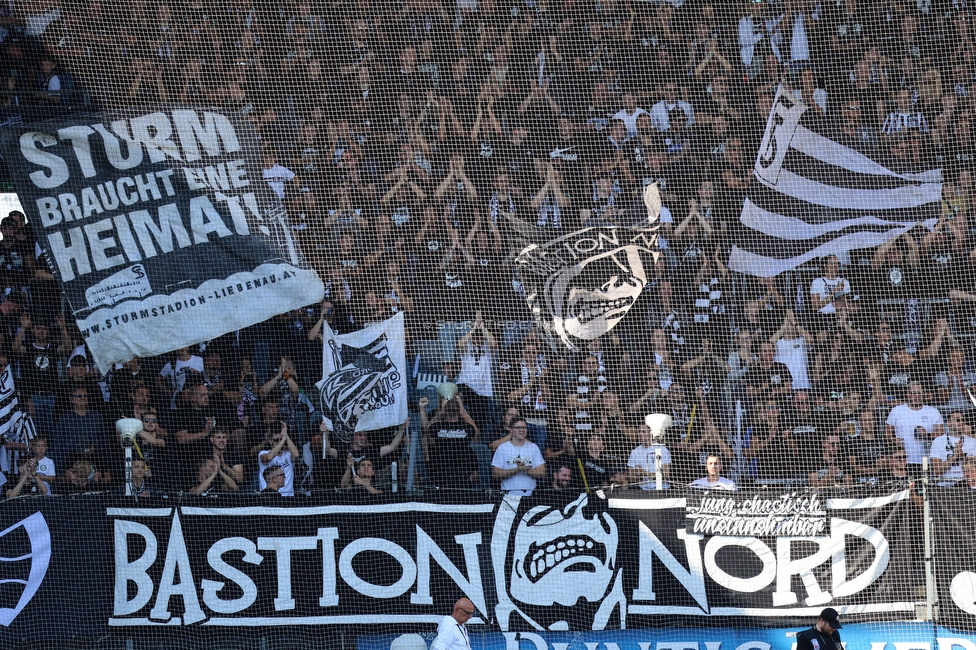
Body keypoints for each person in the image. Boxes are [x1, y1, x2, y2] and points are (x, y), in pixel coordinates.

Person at [491, 417, 546, 495]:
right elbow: (495, 474)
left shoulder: (534, 447)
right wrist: (516, 470)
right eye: (518, 427)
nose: (522, 430)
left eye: (524, 427)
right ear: (511, 430)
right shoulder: (502, 448)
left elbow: (542, 472)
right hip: (508, 495)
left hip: (531, 496)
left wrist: (526, 470)